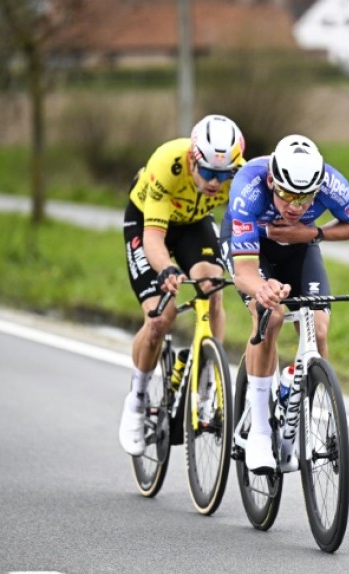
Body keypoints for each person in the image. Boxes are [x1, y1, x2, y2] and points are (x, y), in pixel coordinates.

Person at [220, 134, 349, 473]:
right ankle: (258, 431)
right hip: (250, 245)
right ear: (272, 181)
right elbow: (244, 271)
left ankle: (297, 392)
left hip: (299, 245)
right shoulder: (249, 188)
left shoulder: (331, 182)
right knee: (270, 317)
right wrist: (264, 289)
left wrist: (312, 233)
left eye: (305, 198)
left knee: (318, 326)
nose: (295, 207)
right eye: (286, 195)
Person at [119, 114, 246, 456]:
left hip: (193, 223)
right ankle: (138, 399)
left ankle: (209, 380)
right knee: (161, 317)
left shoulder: (240, 177)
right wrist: (167, 270)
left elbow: (246, 230)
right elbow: (154, 240)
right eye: (207, 172)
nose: (216, 183)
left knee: (214, 286)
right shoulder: (167, 164)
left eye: (225, 175)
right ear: (192, 160)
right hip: (148, 222)